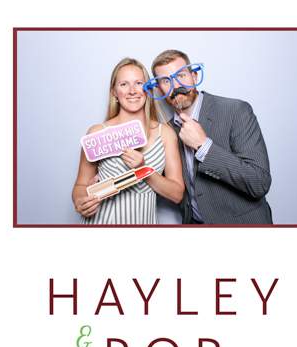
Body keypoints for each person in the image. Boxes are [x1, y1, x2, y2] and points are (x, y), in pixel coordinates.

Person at [149, 50, 273, 225]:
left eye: (181, 75)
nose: (176, 86)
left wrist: (203, 146)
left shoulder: (236, 111)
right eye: (166, 81)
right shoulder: (166, 132)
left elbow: (259, 182)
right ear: (158, 88)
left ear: (194, 76)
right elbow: (159, 181)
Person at [72, 58, 185, 224]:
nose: (132, 91)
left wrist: (143, 170)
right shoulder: (97, 133)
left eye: (139, 83)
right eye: (124, 84)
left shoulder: (166, 134)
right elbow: (80, 186)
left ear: (148, 89)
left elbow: (177, 194)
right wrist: (81, 202)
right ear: (114, 92)